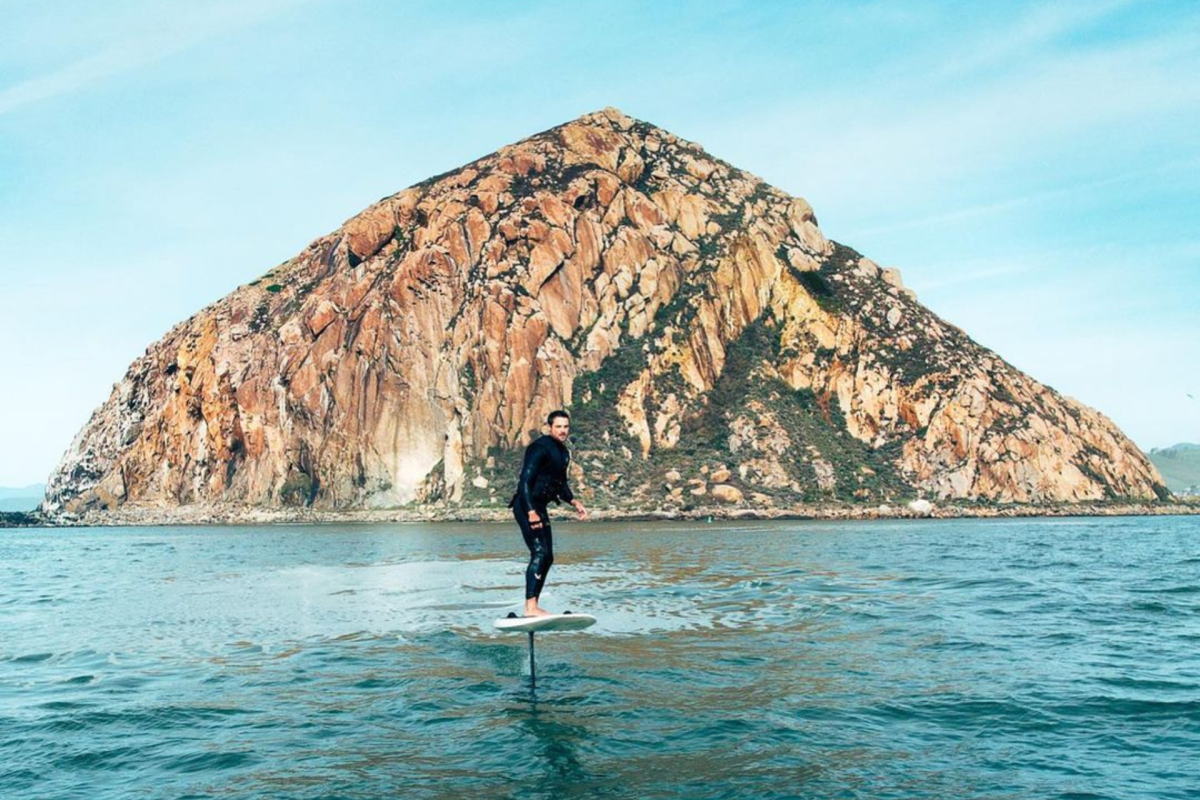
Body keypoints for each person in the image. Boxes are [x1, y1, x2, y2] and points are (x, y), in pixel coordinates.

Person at [509, 409, 587, 617]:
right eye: (558, 427)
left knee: (548, 556)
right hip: (526, 505)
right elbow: (524, 481)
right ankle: (530, 607)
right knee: (540, 552)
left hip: (539, 506)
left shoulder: (563, 453)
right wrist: (531, 512)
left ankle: (534, 605)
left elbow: (560, 485)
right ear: (550, 427)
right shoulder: (539, 448)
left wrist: (573, 501)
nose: (562, 431)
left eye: (565, 427)